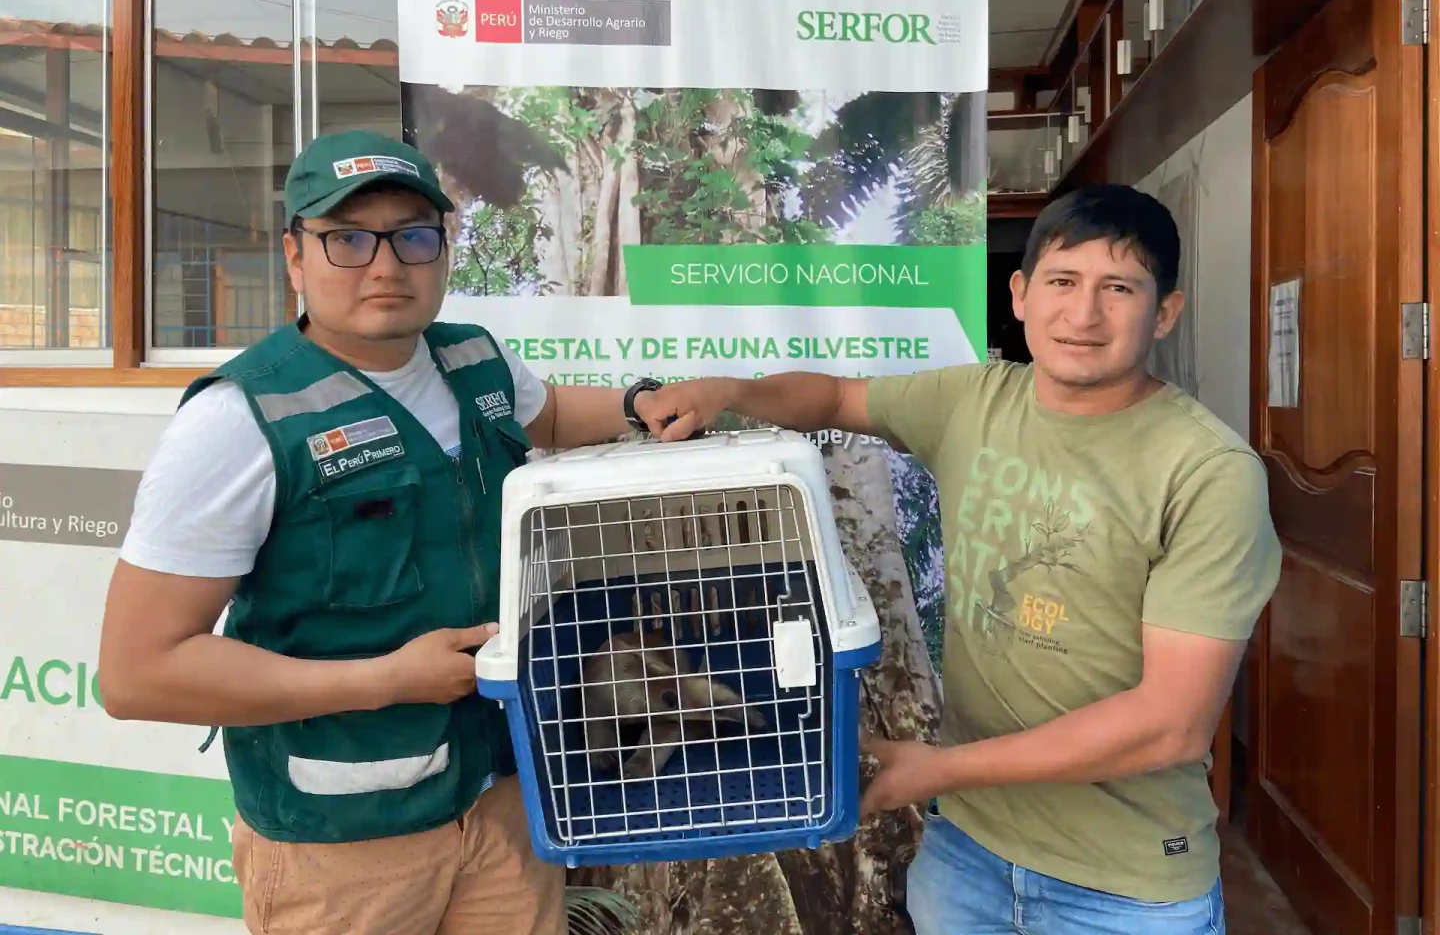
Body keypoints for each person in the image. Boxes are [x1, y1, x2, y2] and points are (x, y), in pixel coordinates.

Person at [643, 184, 1282, 934]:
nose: (1083, 315)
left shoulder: (1207, 471)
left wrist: (939, 770)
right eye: (1062, 281)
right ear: (1020, 293)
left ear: (1164, 311)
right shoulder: (974, 400)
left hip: (1124, 884)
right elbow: (836, 398)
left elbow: (1169, 725)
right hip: (969, 854)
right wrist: (732, 390)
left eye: (1119, 288)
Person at [98, 130, 678, 935]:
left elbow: (545, 416)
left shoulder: (472, 358)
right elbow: (137, 675)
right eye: (347, 238)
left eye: (412, 235)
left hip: (502, 805)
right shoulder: (240, 421)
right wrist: (384, 680)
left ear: (442, 250)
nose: (385, 264)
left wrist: (636, 404)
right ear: (295, 258)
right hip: (345, 845)